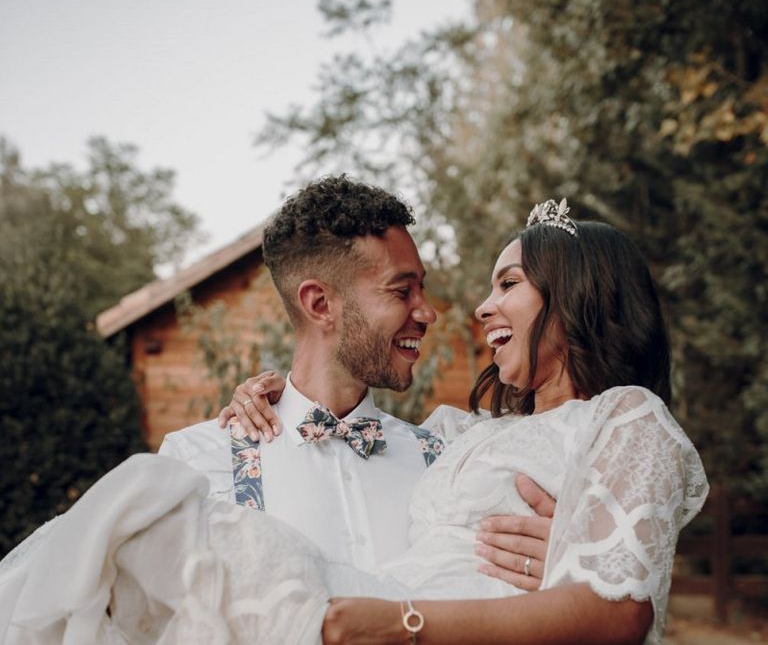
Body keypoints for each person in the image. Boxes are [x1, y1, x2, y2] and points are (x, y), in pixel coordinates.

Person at [0, 197, 707, 645]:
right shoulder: (208, 453)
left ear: (579, 296)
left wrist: (583, 551)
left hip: (409, 616)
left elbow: (613, 599)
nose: (441, 313)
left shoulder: (441, 446)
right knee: (144, 505)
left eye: (507, 285)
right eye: (404, 291)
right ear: (319, 304)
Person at [157, 175, 551, 580]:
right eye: (401, 292)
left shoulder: (449, 461)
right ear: (321, 304)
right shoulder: (199, 465)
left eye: (422, 289)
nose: (428, 313)